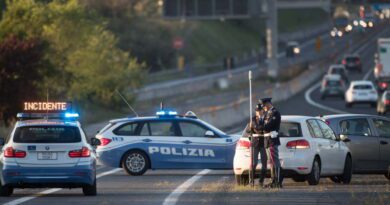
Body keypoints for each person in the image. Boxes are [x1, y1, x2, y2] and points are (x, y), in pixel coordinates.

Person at [259, 97, 283, 188]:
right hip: (267, 139)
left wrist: (262, 126)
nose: (264, 108)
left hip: (272, 139)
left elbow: (267, 126)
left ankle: (278, 181)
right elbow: (262, 125)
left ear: (269, 103)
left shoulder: (275, 113)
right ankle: (273, 180)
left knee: (275, 161)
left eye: (264, 106)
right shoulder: (266, 114)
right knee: (271, 162)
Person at [246, 103, 268, 187]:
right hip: (254, 143)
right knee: (253, 163)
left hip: (264, 143)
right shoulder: (253, 119)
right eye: (256, 111)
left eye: (259, 111)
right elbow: (248, 130)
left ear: (263, 110)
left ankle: (261, 181)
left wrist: (256, 128)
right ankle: (251, 181)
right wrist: (250, 127)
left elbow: (264, 128)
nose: (258, 112)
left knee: (264, 164)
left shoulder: (266, 118)